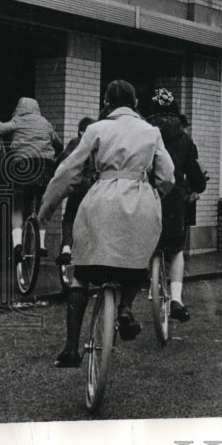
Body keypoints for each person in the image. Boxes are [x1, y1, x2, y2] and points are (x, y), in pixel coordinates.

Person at [38, 80, 174, 368]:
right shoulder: (151, 132)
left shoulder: (97, 129)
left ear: (107, 103)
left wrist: (44, 212)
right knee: (138, 259)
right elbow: (167, 176)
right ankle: (125, 307)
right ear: (136, 103)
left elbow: (68, 172)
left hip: (101, 199)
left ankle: (71, 349)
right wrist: (153, 193)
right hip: (140, 200)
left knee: (82, 272)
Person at [147, 88, 208, 322]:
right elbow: (197, 179)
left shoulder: (145, 133)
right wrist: (196, 187)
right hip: (174, 201)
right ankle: (176, 299)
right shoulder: (184, 139)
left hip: (147, 197)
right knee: (176, 249)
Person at [0, 96, 63, 265]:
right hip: (45, 167)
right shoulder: (46, 123)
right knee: (41, 206)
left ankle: (17, 244)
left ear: (19, 108)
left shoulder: (17, 121)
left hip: (23, 167)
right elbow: (59, 144)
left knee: (18, 205)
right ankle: (41, 244)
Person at [54, 116, 95, 266]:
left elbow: (62, 161)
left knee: (70, 217)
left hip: (78, 188)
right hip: (95, 189)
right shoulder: (98, 145)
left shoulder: (75, 143)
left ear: (80, 131)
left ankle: (66, 248)